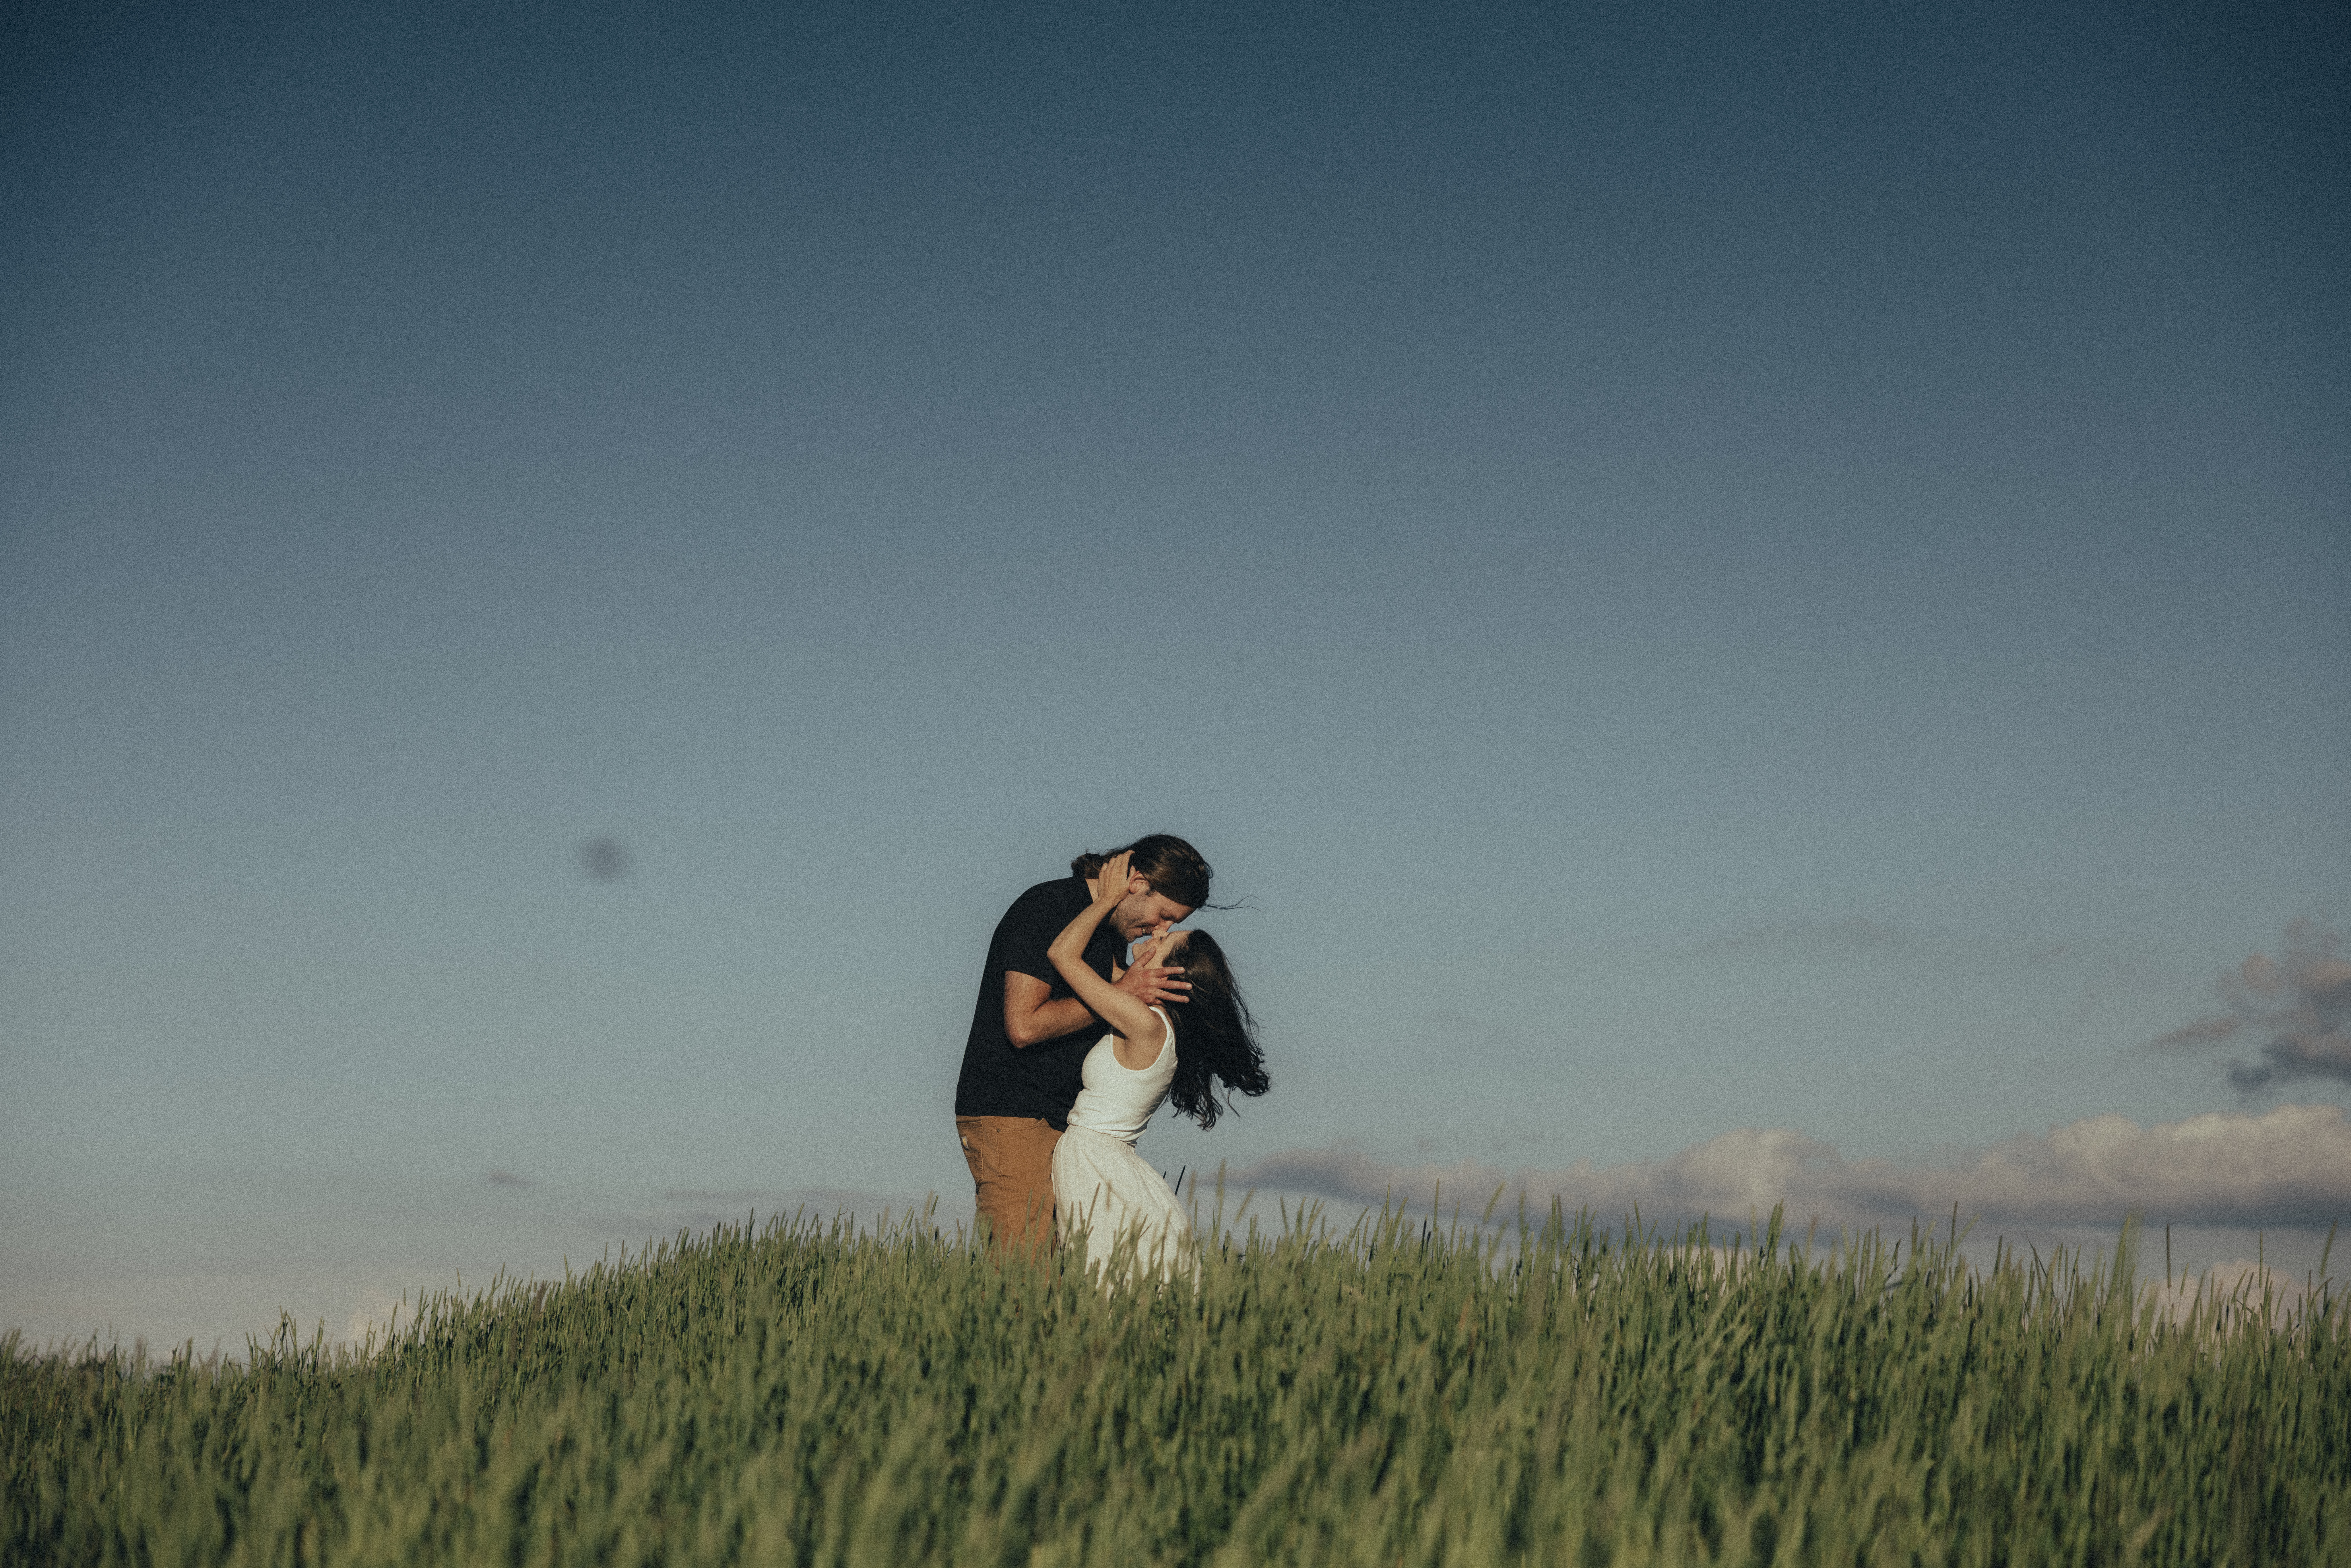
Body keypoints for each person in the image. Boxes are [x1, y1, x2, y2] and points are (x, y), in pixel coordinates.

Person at [953, 835, 1206, 1251]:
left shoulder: (1109, 933)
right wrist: (1124, 993)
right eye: (1163, 916)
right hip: (1014, 1114)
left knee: (1063, 1280)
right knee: (1023, 1278)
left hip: (1060, 1123)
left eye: (1173, 925)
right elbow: (1024, 1026)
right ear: (1137, 882)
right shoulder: (1048, 908)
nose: (1161, 930)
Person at [1044, 849, 1271, 1282]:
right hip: (1110, 1165)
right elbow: (1110, 972)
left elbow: (1063, 956)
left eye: (1163, 944)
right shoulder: (1156, 1024)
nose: (1153, 938)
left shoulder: (1144, 1024)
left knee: (1104, 1287)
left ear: (1171, 975)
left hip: (1096, 1162)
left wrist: (1106, 901)